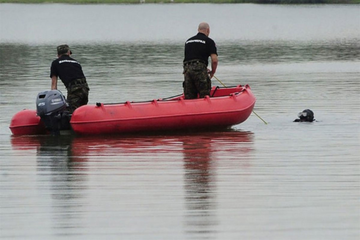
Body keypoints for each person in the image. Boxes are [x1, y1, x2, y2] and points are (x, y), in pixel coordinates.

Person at [50, 44, 89, 114]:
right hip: (85, 89)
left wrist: (53, 99)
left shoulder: (55, 63)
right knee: (82, 111)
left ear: (58, 55)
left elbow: (54, 84)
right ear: (68, 53)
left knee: (72, 112)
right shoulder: (76, 62)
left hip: (74, 90)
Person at [183, 22, 218, 99]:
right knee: (204, 95)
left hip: (187, 70)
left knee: (189, 96)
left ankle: (190, 110)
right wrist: (212, 72)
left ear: (198, 30)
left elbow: (191, 57)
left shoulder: (188, 41)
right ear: (208, 30)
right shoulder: (209, 41)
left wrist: (203, 67)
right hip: (199, 69)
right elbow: (214, 60)